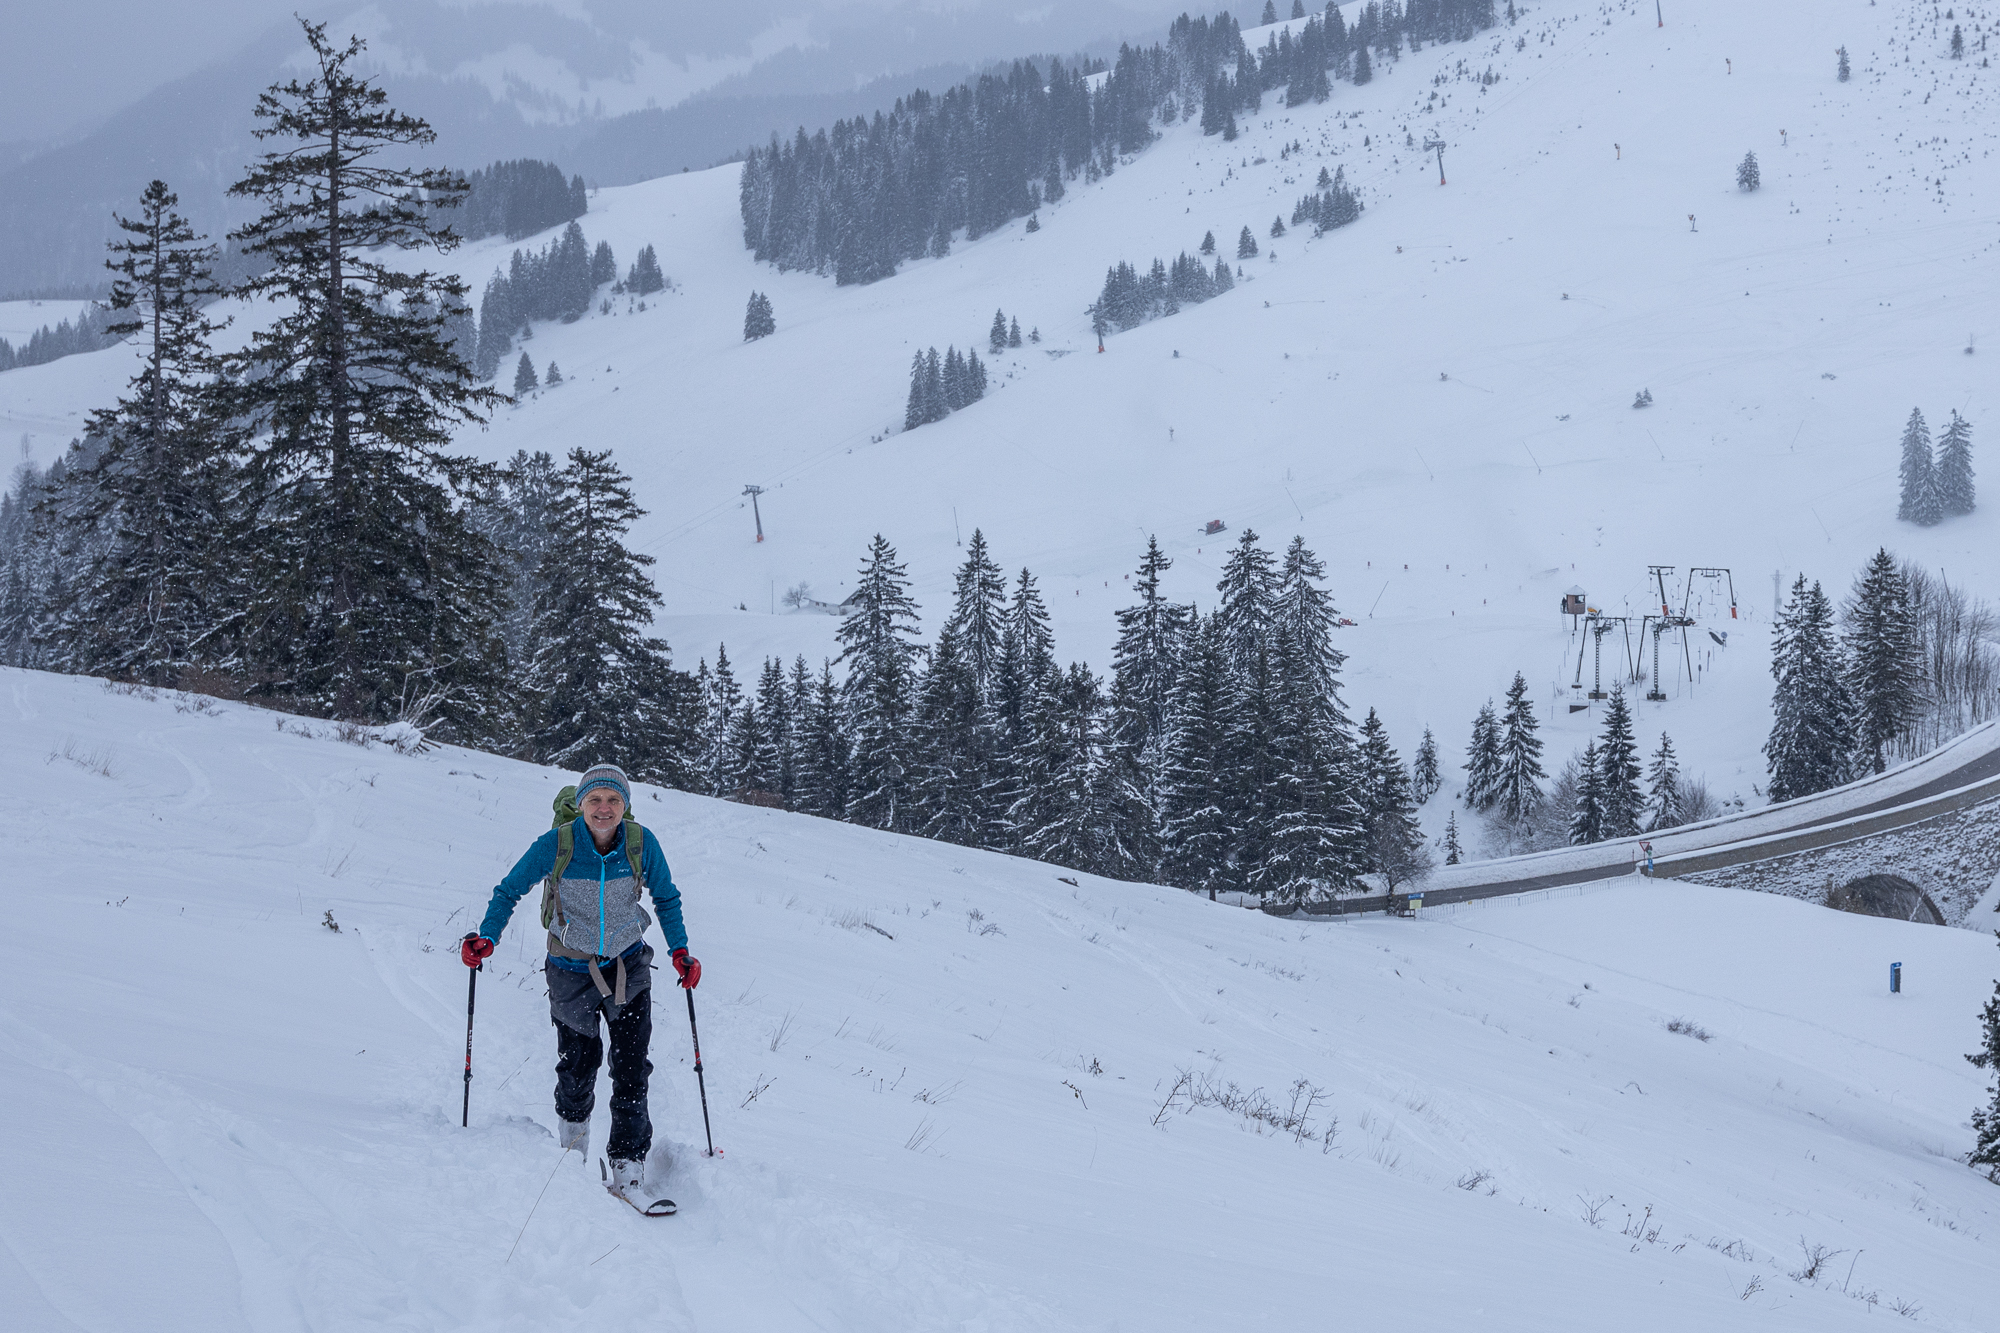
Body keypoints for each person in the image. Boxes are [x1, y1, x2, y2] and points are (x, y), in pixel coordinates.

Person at [460, 764, 698, 1197]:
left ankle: (628, 1163)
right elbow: (510, 889)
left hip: (629, 966)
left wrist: (679, 950)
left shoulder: (641, 844)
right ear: (581, 804)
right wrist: (488, 936)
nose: (604, 809)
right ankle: (572, 1152)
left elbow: (666, 897)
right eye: (595, 800)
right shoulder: (558, 844)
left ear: (625, 806)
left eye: (613, 800)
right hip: (571, 971)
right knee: (577, 1067)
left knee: (631, 1069)